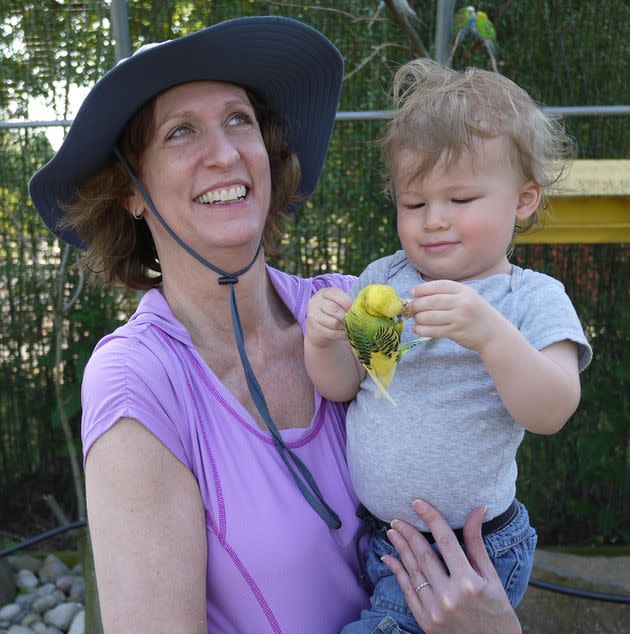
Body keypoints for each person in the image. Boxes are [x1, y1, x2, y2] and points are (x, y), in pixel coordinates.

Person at [30, 18, 524, 634]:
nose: (226, 152)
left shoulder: (354, 308)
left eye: (240, 120)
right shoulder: (140, 380)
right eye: (181, 131)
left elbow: (478, 457)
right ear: (129, 189)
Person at [305, 58, 593, 633]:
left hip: (467, 549)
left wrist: (489, 334)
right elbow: (345, 385)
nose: (434, 221)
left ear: (524, 200)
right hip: (383, 538)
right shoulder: (384, 280)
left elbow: (552, 410)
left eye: (460, 200)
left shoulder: (530, 299)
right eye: (414, 204)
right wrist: (321, 340)